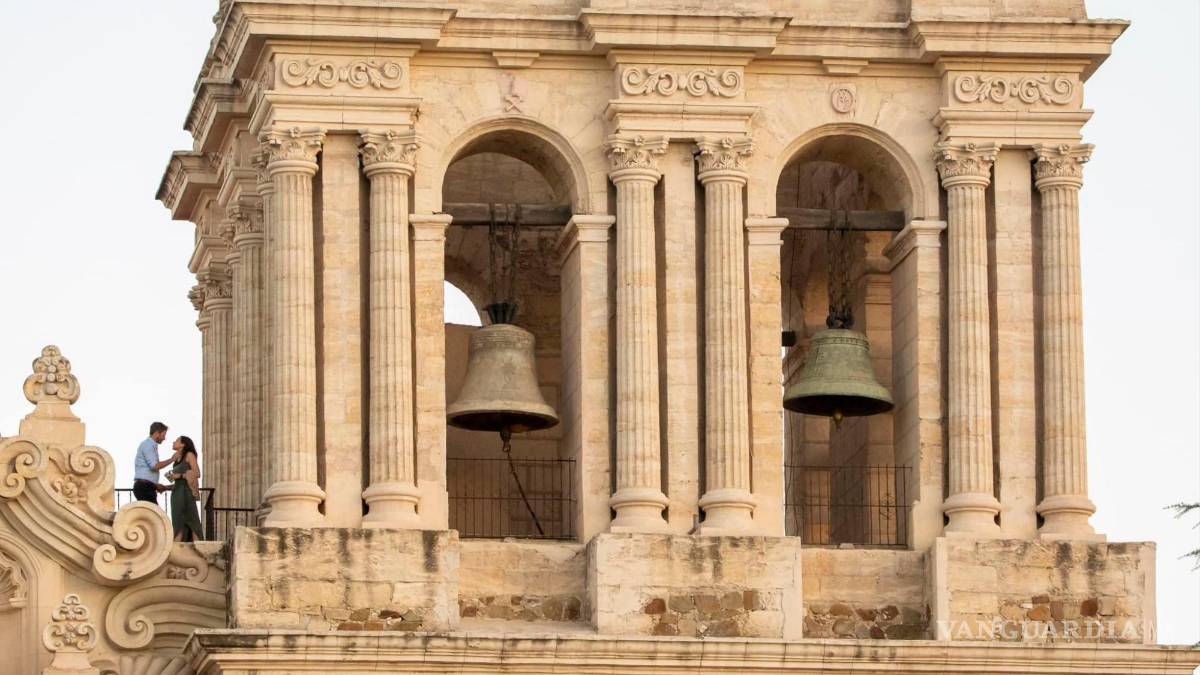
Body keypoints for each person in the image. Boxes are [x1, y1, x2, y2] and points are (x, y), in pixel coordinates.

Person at [165, 436, 204, 542]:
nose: (174, 442)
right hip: (176, 492)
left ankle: (198, 543)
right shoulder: (176, 458)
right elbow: (176, 480)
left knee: (191, 517)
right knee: (177, 519)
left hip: (186, 491)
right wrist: (165, 486)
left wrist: (180, 475)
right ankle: (178, 543)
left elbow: (197, 473)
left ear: (183, 444)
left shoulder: (189, 455)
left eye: (177, 440)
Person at [132, 422, 177, 503]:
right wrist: (172, 459)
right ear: (156, 433)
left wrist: (156, 485)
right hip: (144, 487)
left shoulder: (150, 445)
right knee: (152, 511)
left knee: (152, 510)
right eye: (163, 435)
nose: (164, 438)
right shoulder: (148, 445)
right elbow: (155, 466)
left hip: (146, 486)